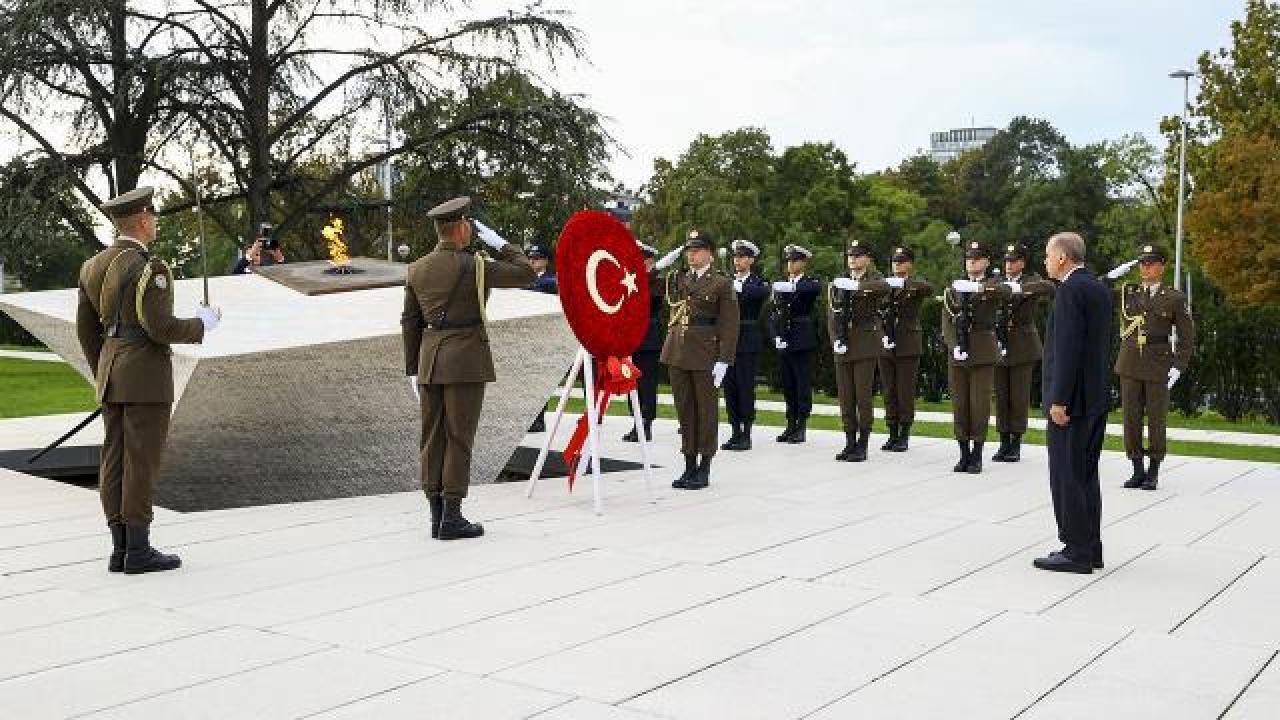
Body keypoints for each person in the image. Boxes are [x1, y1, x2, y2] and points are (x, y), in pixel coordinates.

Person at [75, 186, 222, 574]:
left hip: (112, 374)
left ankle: (120, 548)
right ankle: (139, 551)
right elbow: (159, 327)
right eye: (153, 217)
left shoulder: (92, 266)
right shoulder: (148, 267)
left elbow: (86, 330)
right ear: (142, 220)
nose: (155, 223)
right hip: (145, 377)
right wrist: (201, 324)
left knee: (114, 460)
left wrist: (105, 369)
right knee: (141, 461)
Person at [402, 197, 535, 540]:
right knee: (459, 438)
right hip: (464, 361)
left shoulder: (416, 268)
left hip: (430, 361)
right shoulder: (474, 265)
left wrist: (412, 367)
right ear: (461, 227)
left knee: (432, 438)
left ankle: (435, 515)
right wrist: (501, 243)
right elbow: (526, 271)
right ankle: (452, 517)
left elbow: (410, 321)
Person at [1035, 231, 1113, 574]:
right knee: (1085, 475)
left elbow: (1067, 350)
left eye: (1048, 255)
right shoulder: (1097, 287)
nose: (1046, 261)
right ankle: (1091, 546)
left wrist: (1058, 399)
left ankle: (1076, 550)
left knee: (1067, 475)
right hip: (1095, 397)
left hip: (1073, 402)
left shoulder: (1069, 291)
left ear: (1063, 258)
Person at [1101, 243, 1195, 490]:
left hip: (1158, 363)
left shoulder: (1174, 297)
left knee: (1156, 419)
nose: (1145, 267)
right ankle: (1137, 469)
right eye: (1142, 263)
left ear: (1162, 266)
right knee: (1131, 419)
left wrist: (1179, 365)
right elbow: (1097, 290)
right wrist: (1111, 276)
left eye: (1151, 263)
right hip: (1130, 362)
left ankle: (1153, 471)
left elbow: (1187, 335)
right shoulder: (1128, 292)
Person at [659, 229, 739, 490]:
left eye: (697, 250)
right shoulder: (678, 278)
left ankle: (704, 467)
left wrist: (724, 359)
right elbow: (647, 284)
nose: (691, 255)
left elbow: (729, 324)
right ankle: (688, 465)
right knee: (685, 411)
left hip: (706, 355)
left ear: (710, 254)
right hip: (677, 350)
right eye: (689, 250)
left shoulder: (721, 283)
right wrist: (661, 265)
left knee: (706, 412)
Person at [941, 241, 1012, 473]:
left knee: (979, 405)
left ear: (987, 261)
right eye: (969, 258)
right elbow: (947, 322)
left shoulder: (993, 285)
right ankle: (963, 454)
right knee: (960, 405)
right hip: (959, 355)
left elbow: (1006, 291)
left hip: (982, 351)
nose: (972, 261)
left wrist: (979, 289)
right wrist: (954, 346)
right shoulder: (954, 288)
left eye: (977, 258)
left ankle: (977, 454)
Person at [992, 243, 1055, 463]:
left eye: (1013, 261)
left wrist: (1019, 290)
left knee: (1018, 396)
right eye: (1007, 261)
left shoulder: (1031, 281)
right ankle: (1003, 442)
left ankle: (1016, 443)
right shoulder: (997, 282)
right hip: (999, 345)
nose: (1009, 265)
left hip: (1022, 346)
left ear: (1022, 263)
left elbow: (1048, 287)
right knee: (1001, 396)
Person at [827, 238, 890, 461]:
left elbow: (884, 287)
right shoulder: (839, 282)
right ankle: (849, 442)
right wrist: (835, 339)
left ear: (868, 259)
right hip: (843, 345)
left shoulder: (874, 279)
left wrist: (858, 287)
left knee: (863, 397)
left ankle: (863, 444)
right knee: (846, 397)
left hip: (865, 344)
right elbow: (832, 315)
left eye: (858, 255)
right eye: (850, 256)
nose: (853, 259)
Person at [877, 246, 933, 452]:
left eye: (901, 261)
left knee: (905, 391)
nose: (897, 265)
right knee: (889, 390)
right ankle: (892, 432)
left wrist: (904, 283)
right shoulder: (883, 284)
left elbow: (928, 288)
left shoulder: (915, 284)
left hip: (907, 344)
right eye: (894, 261)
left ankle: (904, 434)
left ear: (910, 263)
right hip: (885, 344)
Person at [769, 244, 822, 444]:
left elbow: (815, 288)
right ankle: (790, 424)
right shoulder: (780, 284)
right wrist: (776, 337)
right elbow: (773, 314)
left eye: (795, 260)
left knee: (802, 384)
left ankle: (801, 426)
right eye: (789, 261)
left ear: (803, 263)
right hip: (785, 339)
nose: (790, 264)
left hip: (802, 340)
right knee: (788, 385)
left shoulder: (809, 283)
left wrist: (792, 287)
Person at [721, 239, 769, 451]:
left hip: (747, 341)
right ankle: (735, 431)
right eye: (735, 257)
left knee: (745, 387)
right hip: (728, 341)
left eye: (741, 257)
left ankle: (746, 433)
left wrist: (737, 286)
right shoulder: (728, 281)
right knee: (730, 387)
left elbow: (758, 295)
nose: (737, 261)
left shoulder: (758, 283)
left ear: (751, 259)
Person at [623, 241, 665, 443]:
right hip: (632, 338)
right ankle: (635, 423)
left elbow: (650, 299)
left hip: (649, 338)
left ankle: (646, 423)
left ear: (649, 259)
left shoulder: (657, 280)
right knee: (633, 383)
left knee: (647, 383)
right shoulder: (632, 280)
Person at [524, 243, 557, 433]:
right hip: (528, 335)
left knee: (540, 380)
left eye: (536, 258)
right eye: (530, 258)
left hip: (543, 337)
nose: (532, 261)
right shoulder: (526, 280)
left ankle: (539, 419)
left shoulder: (551, 281)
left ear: (545, 260)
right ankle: (531, 418)